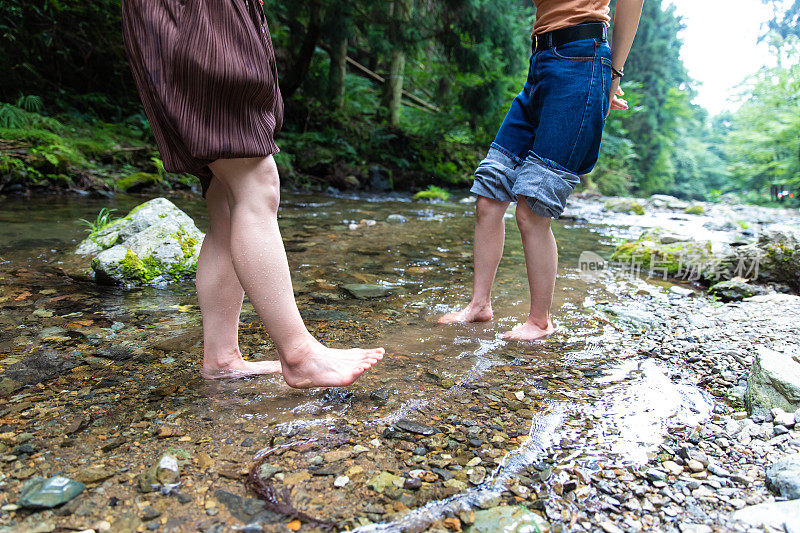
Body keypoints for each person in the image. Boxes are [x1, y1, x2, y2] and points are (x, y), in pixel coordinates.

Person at [120, 0, 384, 387]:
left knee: (225, 198)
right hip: (201, 14)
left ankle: (222, 358)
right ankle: (299, 354)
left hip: (179, 14)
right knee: (255, 182)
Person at [439, 0, 643, 339]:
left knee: (532, 209)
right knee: (488, 196)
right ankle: (479, 306)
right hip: (540, 65)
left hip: (582, 63)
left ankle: (540, 321)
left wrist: (612, 74)